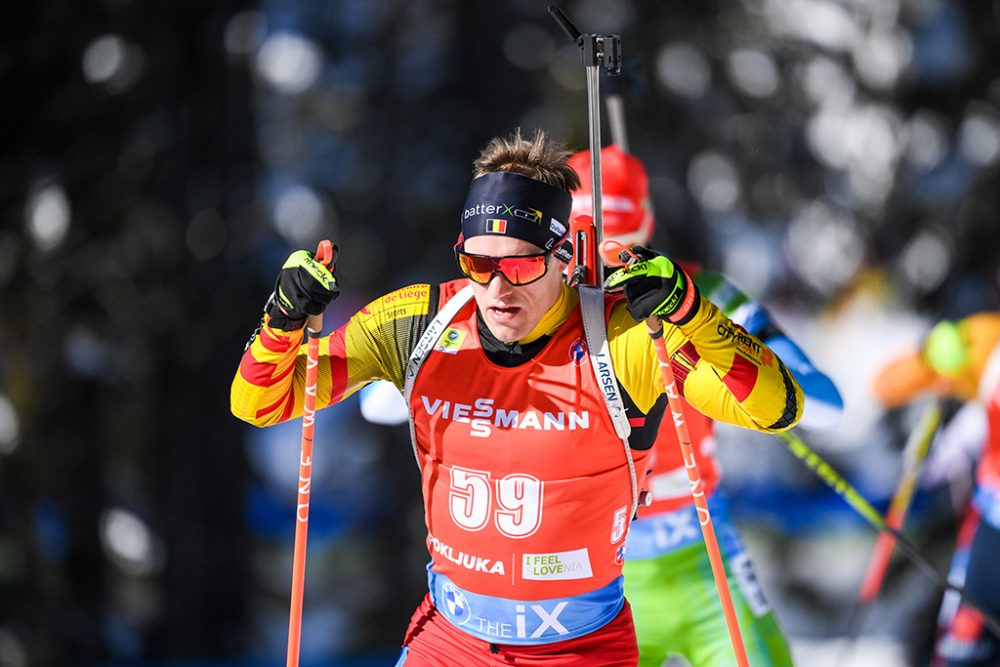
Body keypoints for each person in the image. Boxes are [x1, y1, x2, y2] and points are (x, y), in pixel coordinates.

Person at [231, 128, 805, 666]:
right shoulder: (415, 322)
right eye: (479, 263)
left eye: (522, 264)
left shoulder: (622, 338)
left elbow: (777, 408)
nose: (498, 288)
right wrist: (282, 320)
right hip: (451, 640)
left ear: (564, 255)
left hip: (579, 648)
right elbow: (258, 404)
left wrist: (691, 312)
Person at [567, 145, 844, 667]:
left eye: (624, 242)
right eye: (598, 241)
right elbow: (386, 400)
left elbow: (824, 401)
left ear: (647, 222)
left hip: (704, 564)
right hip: (599, 588)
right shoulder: (548, 307)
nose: (612, 259)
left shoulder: (704, 291)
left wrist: (724, 349)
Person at [872, 313, 1000, 667]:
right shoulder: (983, 338)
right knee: (963, 646)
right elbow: (884, 384)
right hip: (990, 527)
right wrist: (934, 357)